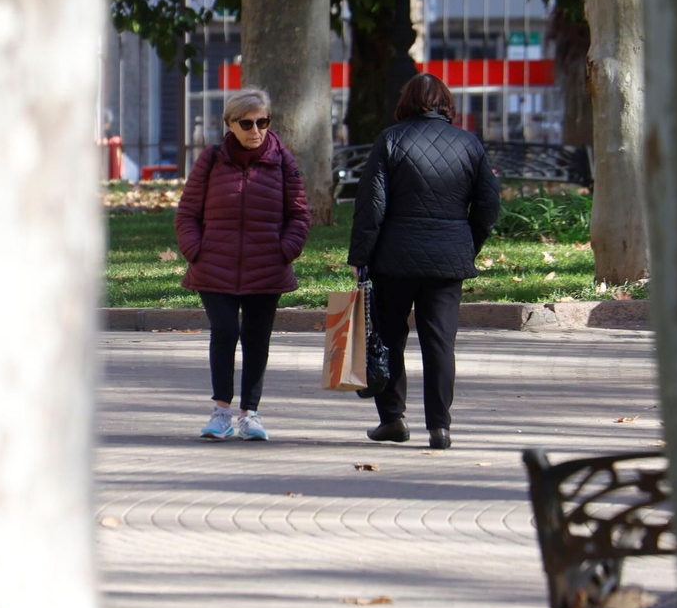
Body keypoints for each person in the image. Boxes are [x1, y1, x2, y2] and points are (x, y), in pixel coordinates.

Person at [347, 73, 499, 449]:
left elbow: (372, 206)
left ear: (406, 101)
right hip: (448, 260)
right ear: (446, 103)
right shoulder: (469, 144)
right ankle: (440, 428)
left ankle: (393, 419)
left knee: (388, 338)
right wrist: (468, 243)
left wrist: (361, 257)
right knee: (440, 343)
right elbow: (488, 205)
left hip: (393, 259)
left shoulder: (391, 140)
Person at [174, 88, 312, 441]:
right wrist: (194, 249)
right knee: (225, 332)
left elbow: (299, 213)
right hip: (214, 265)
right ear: (230, 124)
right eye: (247, 123)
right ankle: (221, 412)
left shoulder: (282, 160)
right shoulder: (212, 158)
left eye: (263, 122)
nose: (256, 130)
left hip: (266, 266)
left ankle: (250, 413)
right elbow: (188, 211)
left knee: (256, 338)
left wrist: (286, 249)